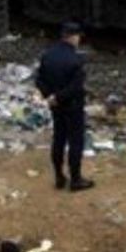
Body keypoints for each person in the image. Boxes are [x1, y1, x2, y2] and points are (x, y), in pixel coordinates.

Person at [35, 21, 93, 192]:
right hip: (72, 106)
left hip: (56, 106)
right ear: (73, 37)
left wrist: (50, 97)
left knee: (58, 138)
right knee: (75, 141)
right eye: (78, 37)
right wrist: (59, 97)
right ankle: (76, 179)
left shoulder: (48, 55)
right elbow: (75, 87)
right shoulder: (76, 60)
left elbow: (39, 80)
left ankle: (59, 177)